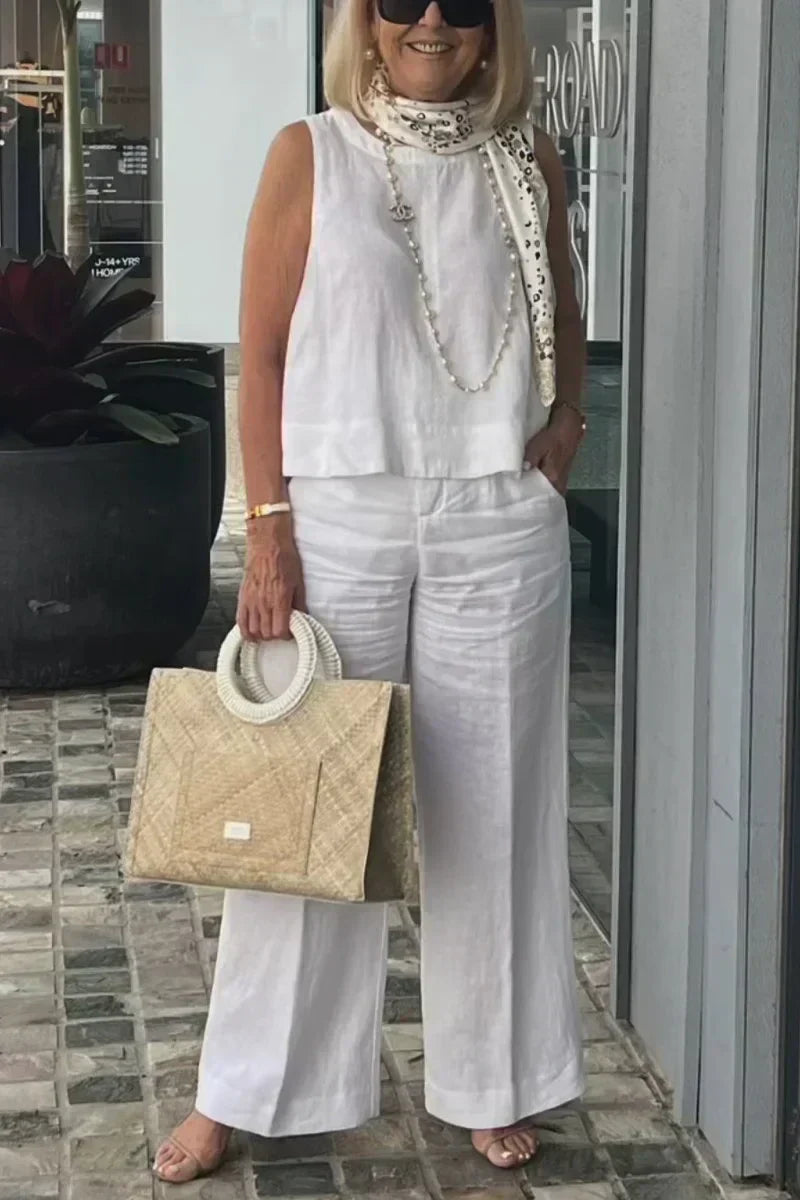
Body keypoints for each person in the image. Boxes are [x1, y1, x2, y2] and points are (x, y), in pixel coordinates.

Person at [154, 0, 587, 1183]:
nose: (430, 20)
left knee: (493, 814)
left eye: (459, 2)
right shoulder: (313, 152)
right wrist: (267, 532)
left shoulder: (525, 157)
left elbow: (560, 302)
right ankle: (245, 1088)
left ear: (493, 29)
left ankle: (493, 1079)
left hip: (495, 516)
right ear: (365, 20)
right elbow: (261, 355)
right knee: (309, 808)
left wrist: (564, 427)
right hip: (339, 514)